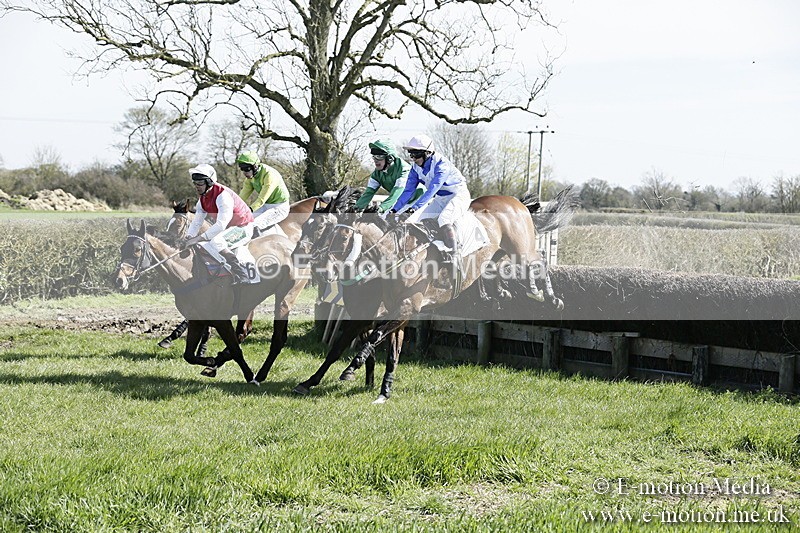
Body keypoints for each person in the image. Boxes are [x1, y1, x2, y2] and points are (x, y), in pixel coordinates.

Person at [391, 134, 471, 265]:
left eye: (416, 155)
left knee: (444, 219)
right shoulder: (415, 168)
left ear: (427, 153)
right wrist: (395, 209)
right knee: (415, 220)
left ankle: (455, 254)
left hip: (458, 196)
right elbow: (408, 191)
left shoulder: (442, 165)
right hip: (441, 198)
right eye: (411, 155)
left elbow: (432, 189)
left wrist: (414, 208)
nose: (413, 159)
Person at [184, 164, 255, 285]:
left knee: (216, 242)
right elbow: (197, 222)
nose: (197, 187)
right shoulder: (202, 198)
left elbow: (221, 225)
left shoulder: (223, 196)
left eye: (200, 183)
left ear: (209, 182)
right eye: (195, 183)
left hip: (243, 228)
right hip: (230, 229)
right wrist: (189, 236)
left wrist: (198, 238)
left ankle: (241, 275)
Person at [354, 139, 422, 212]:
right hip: (401, 202)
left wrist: (380, 208)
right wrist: (355, 208)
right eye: (374, 156)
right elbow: (368, 193)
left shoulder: (404, 169)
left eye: (379, 156)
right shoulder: (377, 173)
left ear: (390, 158)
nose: (375, 160)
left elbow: (396, 194)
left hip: (417, 201)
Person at [236, 151, 290, 235]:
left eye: (247, 169)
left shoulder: (269, 175)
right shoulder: (250, 178)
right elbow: (242, 196)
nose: (244, 172)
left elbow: (261, 199)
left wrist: (249, 209)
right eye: (242, 169)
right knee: (242, 221)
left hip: (279, 207)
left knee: (253, 226)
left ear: (255, 166)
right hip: (265, 206)